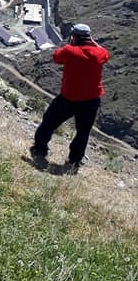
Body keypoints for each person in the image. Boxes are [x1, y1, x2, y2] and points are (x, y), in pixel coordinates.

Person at [30, 23, 111, 174]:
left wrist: (70, 43)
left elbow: (56, 57)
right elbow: (103, 52)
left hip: (69, 98)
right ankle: (74, 161)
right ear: (88, 37)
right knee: (83, 132)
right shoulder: (100, 54)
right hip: (91, 101)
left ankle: (39, 150)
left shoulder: (69, 51)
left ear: (73, 37)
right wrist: (91, 41)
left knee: (49, 121)